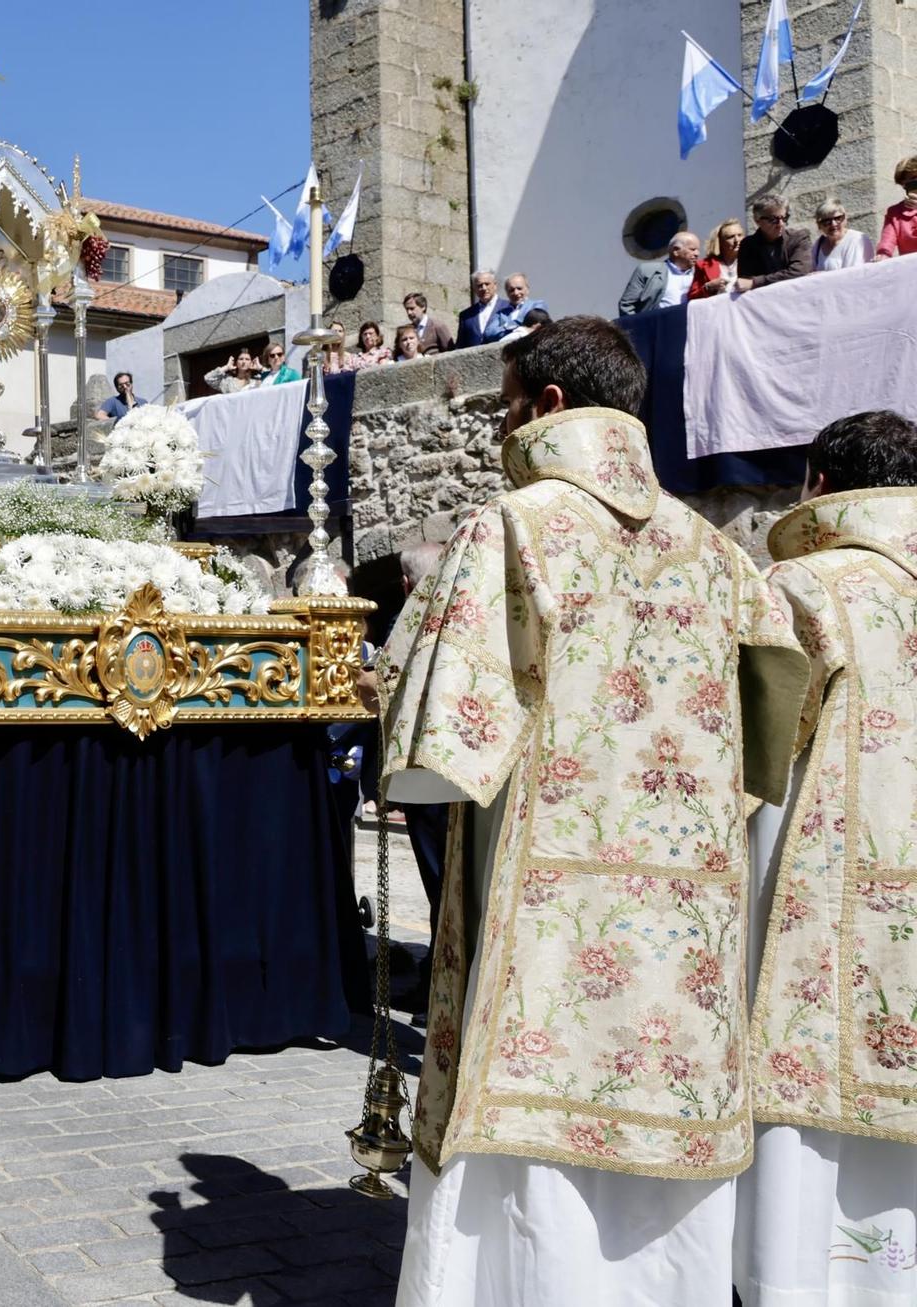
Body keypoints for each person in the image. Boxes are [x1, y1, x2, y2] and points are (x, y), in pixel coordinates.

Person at [372, 316, 807, 1307]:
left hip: (544, 922)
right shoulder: (717, 555)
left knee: (530, 1162)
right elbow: (772, 719)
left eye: (503, 408)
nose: (498, 432)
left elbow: (438, 737)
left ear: (548, 408)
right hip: (683, 925)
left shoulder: (511, 525)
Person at [736, 409, 917, 1307]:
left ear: (820, 486)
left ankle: (794, 1279)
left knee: (804, 1063)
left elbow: (744, 756)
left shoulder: (804, 587)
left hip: (814, 875)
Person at [739, 195, 813, 290]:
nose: (781, 224)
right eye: (773, 220)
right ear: (757, 220)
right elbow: (744, 281)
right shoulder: (748, 245)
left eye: (784, 218)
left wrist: (756, 282)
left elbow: (799, 272)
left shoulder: (798, 238)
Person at [618, 230, 700, 315]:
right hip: (656, 326)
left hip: (689, 326)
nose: (697, 254)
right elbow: (626, 305)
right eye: (692, 249)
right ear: (676, 251)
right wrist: (640, 327)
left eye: (697, 250)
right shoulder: (647, 271)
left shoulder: (700, 274)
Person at [870, 154, 917, 260]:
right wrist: (883, 255)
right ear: (904, 184)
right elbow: (887, 241)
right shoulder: (895, 212)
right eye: (914, 178)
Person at [810, 198, 874, 270]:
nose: (833, 224)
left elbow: (852, 274)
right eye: (826, 221)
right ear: (819, 225)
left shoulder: (856, 239)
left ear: (845, 218)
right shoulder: (818, 245)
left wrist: (821, 276)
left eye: (838, 218)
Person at [693, 218, 745, 299]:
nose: (737, 240)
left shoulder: (754, 259)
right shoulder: (703, 265)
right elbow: (692, 297)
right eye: (730, 237)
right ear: (719, 242)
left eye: (740, 235)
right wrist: (708, 287)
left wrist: (752, 283)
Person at [454, 270, 502, 347]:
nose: (484, 288)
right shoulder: (466, 315)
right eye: (480, 285)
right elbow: (460, 345)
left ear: (495, 285)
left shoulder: (508, 307)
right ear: (474, 289)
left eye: (487, 284)